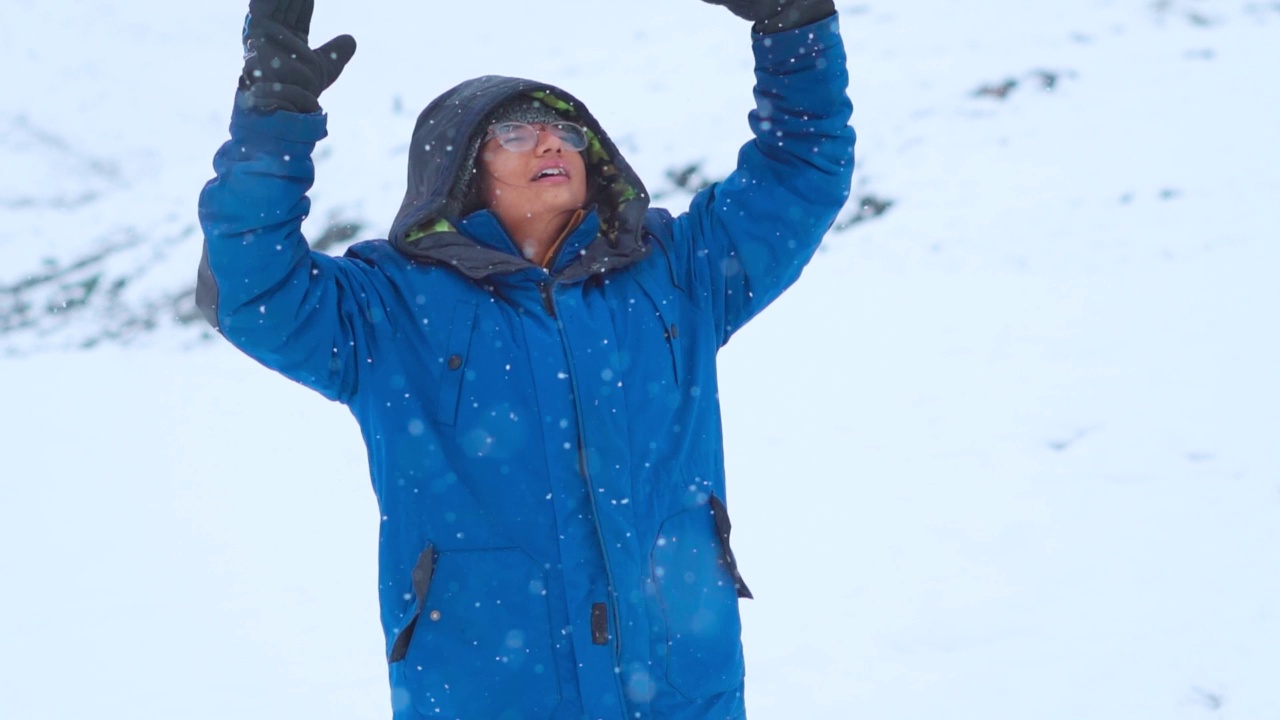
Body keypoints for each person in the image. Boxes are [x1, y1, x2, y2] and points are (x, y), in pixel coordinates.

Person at [196, 0, 854, 717]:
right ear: (460, 166)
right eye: (516, 132)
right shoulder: (392, 309)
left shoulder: (673, 274)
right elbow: (250, 286)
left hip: (681, 692)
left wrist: (795, 28)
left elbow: (803, 168)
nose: (550, 143)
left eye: (565, 130)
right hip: (492, 694)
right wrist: (272, 120)